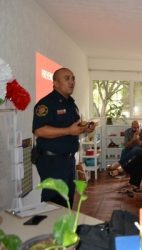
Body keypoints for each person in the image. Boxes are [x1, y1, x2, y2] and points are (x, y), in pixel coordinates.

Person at [32, 67, 95, 207]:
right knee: (53, 202)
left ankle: (64, 228)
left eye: (73, 78)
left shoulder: (71, 104)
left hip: (68, 160)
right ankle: (50, 229)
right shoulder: (46, 104)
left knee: (67, 200)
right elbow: (39, 131)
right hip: (52, 161)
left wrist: (85, 128)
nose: (72, 81)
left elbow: (74, 129)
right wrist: (68, 130)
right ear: (55, 83)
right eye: (67, 78)